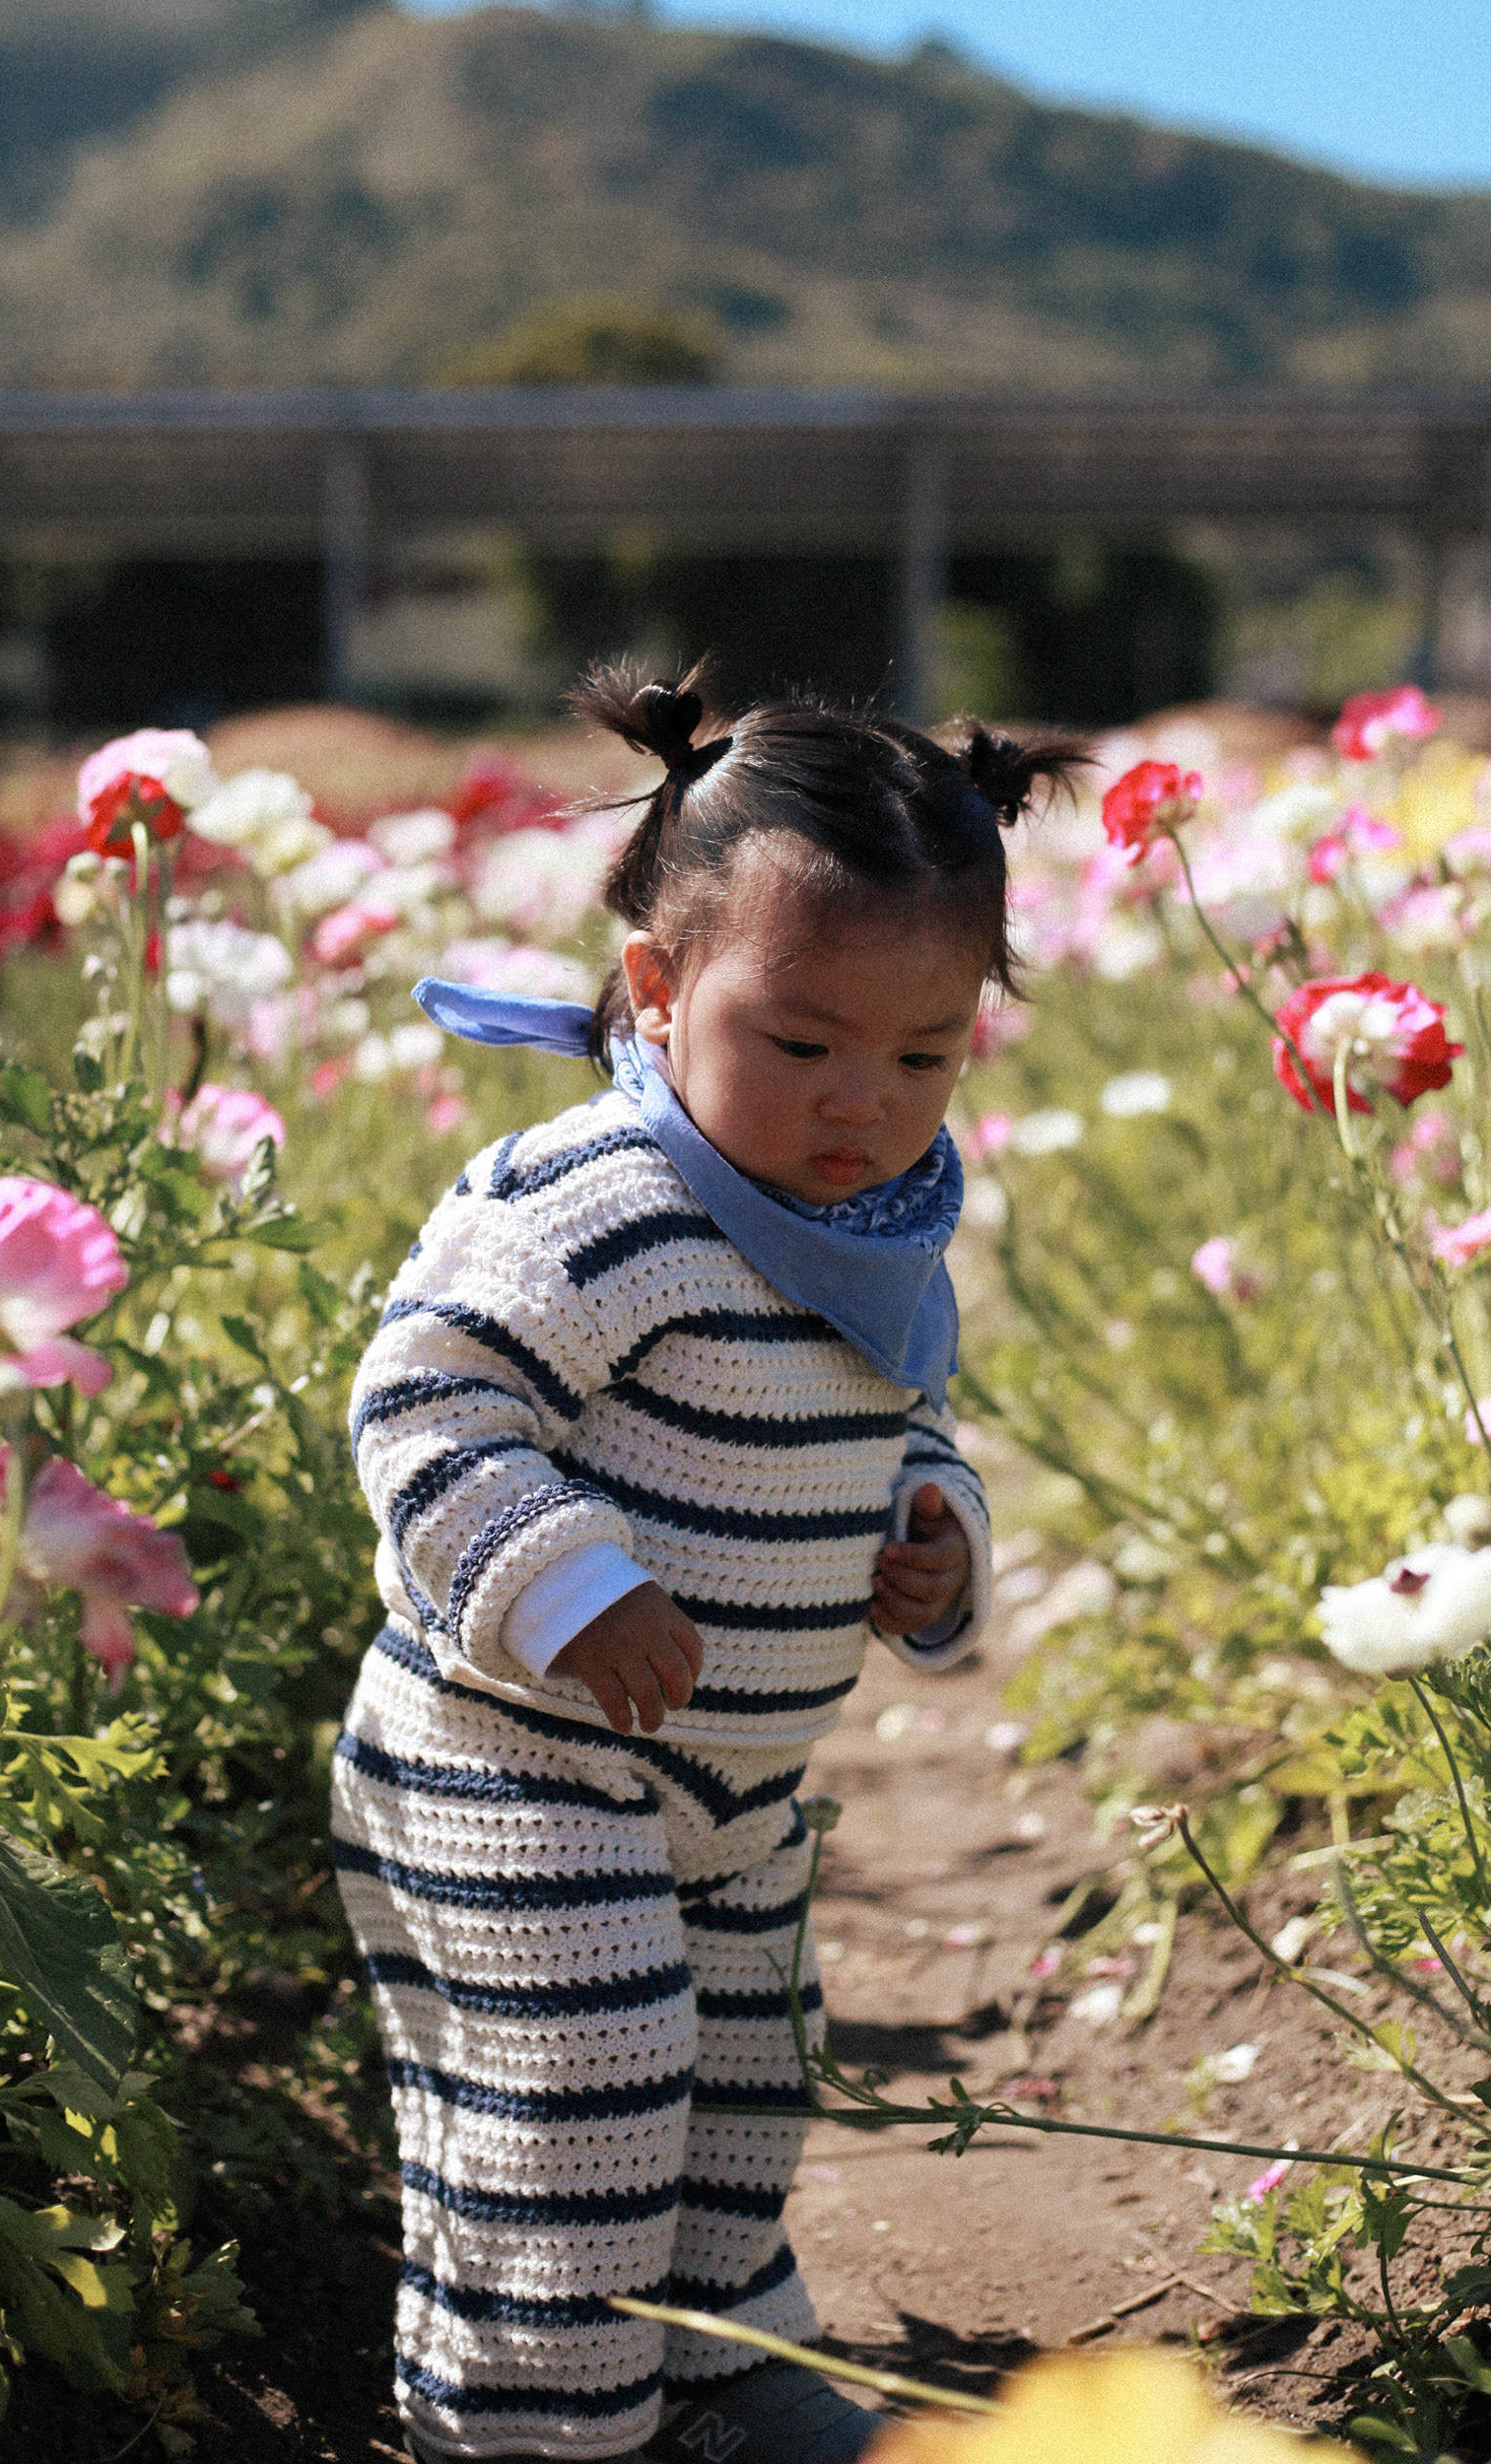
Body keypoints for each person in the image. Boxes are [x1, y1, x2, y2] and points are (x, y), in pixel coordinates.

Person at [333, 668, 1081, 2463]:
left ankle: (715, 2365)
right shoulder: (598, 1201)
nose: (861, 1105)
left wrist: (930, 1529)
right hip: (520, 1763)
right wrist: (563, 1578)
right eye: (802, 1045)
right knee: (579, 2101)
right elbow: (427, 1403)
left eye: (923, 1057)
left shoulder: (871, 1222)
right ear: (659, 992)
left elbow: (905, 1415)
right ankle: (536, 2425)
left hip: (735, 1790)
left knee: (743, 2086)